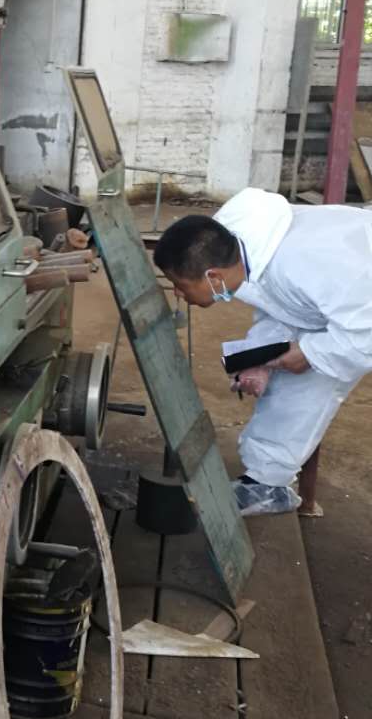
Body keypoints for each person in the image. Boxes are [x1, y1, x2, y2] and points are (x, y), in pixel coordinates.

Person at [154, 188, 372, 516]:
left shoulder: (310, 263)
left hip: (364, 308)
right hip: (344, 305)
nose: (178, 293)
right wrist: (263, 359)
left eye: (182, 285)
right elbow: (285, 305)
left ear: (213, 276)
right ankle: (267, 483)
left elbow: (365, 334)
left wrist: (309, 353)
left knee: (318, 365)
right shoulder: (242, 250)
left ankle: (270, 480)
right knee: (301, 370)